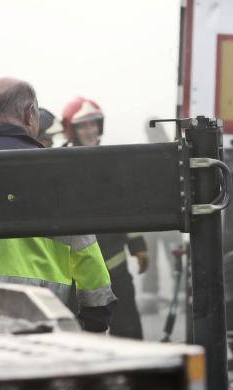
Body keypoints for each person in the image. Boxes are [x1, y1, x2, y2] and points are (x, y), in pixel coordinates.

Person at [0, 78, 116, 333]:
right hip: (44, 315)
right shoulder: (57, 173)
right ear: (30, 113)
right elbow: (84, 248)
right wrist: (97, 317)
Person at [62, 95, 149, 339]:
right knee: (81, 331)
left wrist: (138, 246)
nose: (89, 130)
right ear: (72, 130)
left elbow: (127, 206)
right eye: (83, 125)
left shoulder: (112, 160)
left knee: (128, 326)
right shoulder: (59, 163)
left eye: (93, 124)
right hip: (77, 268)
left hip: (115, 261)